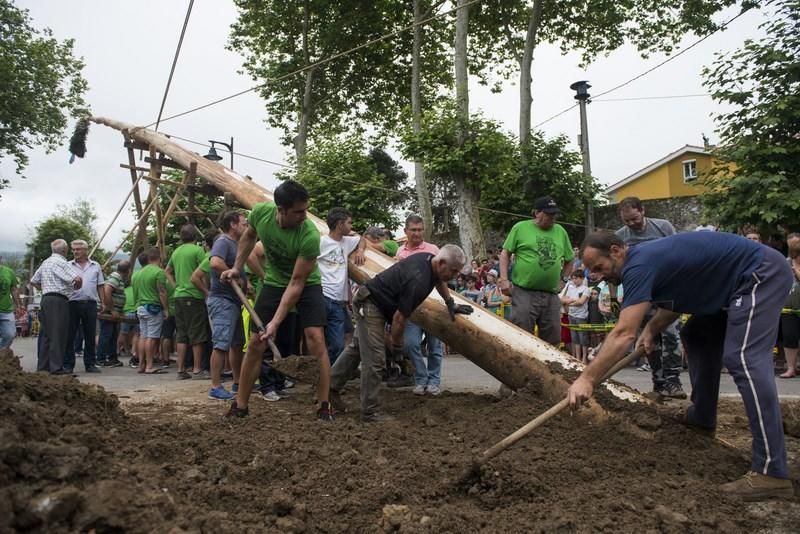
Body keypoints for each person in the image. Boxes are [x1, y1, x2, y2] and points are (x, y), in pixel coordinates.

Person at [569, 231, 794, 500]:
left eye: (599, 268)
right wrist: (652, 328)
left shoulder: (638, 265)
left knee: (744, 358)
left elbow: (623, 333)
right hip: (729, 286)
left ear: (616, 251)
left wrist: (588, 378)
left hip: (759, 274)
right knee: (697, 333)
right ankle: (702, 417)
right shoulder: (645, 261)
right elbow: (682, 295)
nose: (598, 275)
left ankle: (772, 471)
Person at [223, 180, 333, 420]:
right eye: (299, 211)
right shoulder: (261, 213)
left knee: (316, 338)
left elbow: (296, 284)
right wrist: (236, 267)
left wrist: (274, 323)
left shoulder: (310, 235)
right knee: (256, 343)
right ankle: (240, 405)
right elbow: (249, 237)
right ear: (280, 209)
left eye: (306, 209)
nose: (305, 216)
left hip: (307, 284)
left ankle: (324, 405)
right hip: (274, 282)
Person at [329, 245, 472, 421]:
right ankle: (370, 411)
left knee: (357, 348)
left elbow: (438, 281)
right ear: (441, 263)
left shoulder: (430, 260)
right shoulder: (418, 280)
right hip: (371, 304)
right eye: (454, 271)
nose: (455, 276)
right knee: (375, 359)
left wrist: (450, 302)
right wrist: (397, 348)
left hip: (373, 301)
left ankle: (328, 389)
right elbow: (399, 319)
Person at [615, 196, 685, 398]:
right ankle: (659, 381)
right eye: (626, 221)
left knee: (671, 336)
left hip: (667, 290)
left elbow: (678, 253)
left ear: (642, 211)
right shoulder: (620, 237)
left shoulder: (663, 227)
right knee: (649, 339)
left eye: (634, 219)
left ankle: (674, 381)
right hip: (642, 295)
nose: (631, 224)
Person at [499, 196, 574, 345]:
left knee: (553, 337)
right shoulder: (520, 228)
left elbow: (570, 259)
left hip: (551, 294)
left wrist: (564, 280)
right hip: (524, 291)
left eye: (554, 214)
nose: (553, 217)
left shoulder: (560, 231)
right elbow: (505, 254)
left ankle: (549, 368)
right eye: (548, 214)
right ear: (537, 213)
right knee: (521, 334)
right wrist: (504, 279)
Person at [396, 214, 445, 395]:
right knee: (411, 345)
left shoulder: (433, 250)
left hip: (433, 305)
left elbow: (441, 278)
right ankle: (421, 378)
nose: (417, 233)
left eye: (420, 230)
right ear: (406, 231)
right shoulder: (400, 253)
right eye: (413, 230)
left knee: (434, 346)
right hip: (411, 307)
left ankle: (434, 381)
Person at [207, 211, 248, 400]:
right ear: (233, 224)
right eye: (243, 223)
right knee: (221, 344)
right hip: (223, 300)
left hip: (234, 301)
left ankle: (238, 382)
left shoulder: (237, 244)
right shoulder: (223, 241)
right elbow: (215, 263)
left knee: (237, 343)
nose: (246, 226)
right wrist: (234, 274)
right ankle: (215, 386)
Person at [318, 207, 366, 364]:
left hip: (339, 301)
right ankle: (330, 376)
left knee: (344, 338)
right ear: (340, 224)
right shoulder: (321, 242)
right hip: (323, 296)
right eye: (349, 223)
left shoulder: (346, 242)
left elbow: (361, 238)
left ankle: (332, 374)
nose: (351, 226)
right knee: (331, 342)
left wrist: (360, 251)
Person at [31, 239, 82, 374]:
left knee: (46, 334)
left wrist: (45, 288)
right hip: (59, 301)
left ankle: (43, 366)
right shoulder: (62, 263)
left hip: (46, 299)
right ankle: (56, 367)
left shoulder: (46, 262)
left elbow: (34, 280)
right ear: (65, 250)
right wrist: (77, 284)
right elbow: (76, 279)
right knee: (58, 334)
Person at [166, 224, 208, 380]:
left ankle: (180, 370)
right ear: (195, 237)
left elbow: (167, 271)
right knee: (197, 333)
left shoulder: (176, 252)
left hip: (179, 296)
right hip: (194, 295)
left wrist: (175, 285)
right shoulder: (197, 250)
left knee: (182, 334)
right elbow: (204, 272)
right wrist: (206, 291)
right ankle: (197, 369)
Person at [63, 240, 105, 373]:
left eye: (78, 249)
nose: (75, 252)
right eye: (74, 249)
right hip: (72, 303)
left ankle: (90, 363)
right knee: (70, 335)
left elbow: (100, 285)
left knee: (90, 334)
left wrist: (103, 302)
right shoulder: (67, 265)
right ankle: (68, 365)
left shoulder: (95, 266)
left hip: (90, 303)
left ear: (86, 250)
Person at [132, 247, 169, 374]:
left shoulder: (137, 274)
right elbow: (162, 292)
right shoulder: (159, 272)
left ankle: (141, 365)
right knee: (152, 338)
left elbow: (135, 293)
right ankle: (149, 365)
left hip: (140, 307)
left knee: (143, 336)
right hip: (153, 308)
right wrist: (166, 309)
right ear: (159, 258)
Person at [97, 260, 130, 367]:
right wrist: (112, 310)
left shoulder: (117, 278)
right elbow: (107, 290)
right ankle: (101, 359)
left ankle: (112, 358)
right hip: (109, 312)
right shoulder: (116, 277)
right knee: (106, 334)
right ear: (128, 271)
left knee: (112, 335)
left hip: (114, 312)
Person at [779, 236, 800, 378]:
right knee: (789, 337)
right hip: (788, 308)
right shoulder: (785, 263)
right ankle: (791, 368)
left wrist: (797, 274)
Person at [561, 270, 590, 362]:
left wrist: (569, 302)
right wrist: (573, 301)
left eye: (576, 278)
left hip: (581, 316)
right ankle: (577, 357)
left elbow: (581, 302)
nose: (574, 280)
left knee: (583, 337)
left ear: (582, 278)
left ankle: (584, 357)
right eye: (573, 278)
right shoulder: (571, 288)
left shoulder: (585, 289)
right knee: (574, 338)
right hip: (571, 314)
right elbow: (564, 299)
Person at [0, 260, 22, 349]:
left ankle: (1, 353)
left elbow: (14, 289)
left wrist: (18, 305)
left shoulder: (9, 272)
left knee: (10, 334)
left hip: (6, 310)